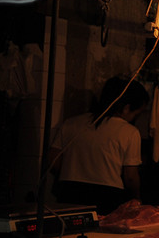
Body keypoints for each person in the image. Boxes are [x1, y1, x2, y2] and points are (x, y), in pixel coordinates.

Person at [49, 77, 150, 214]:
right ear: (126, 108)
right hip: (107, 197)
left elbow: (53, 159)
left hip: (68, 192)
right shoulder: (129, 132)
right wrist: (136, 197)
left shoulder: (71, 123)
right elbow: (130, 176)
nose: (135, 118)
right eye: (136, 114)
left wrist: (74, 171)